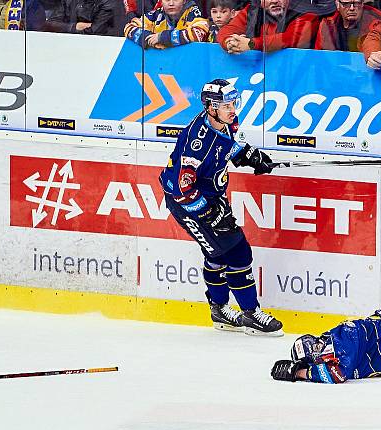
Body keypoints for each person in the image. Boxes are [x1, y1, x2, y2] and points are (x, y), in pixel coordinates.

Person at [160, 79, 283, 336]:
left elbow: (227, 146)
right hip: (189, 204)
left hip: (212, 197)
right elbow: (181, 188)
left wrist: (248, 155)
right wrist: (208, 213)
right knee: (237, 252)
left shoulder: (225, 122)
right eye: (226, 105)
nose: (232, 109)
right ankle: (250, 313)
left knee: (217, 255)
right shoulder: (196, 144)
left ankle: (219, 310)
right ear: (210, 107)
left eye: (233, 103)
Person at [217, 0, 321, 53]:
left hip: (298, 77)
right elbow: (228, 30)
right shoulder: (252, 11)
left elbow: (289, 39)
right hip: (258, 75)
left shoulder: (307, 13)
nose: (275, 1)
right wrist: (230, 43)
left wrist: (251, 44)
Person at [124, 0, 209, 48]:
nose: (171, 3)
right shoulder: (156, 14)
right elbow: (128, 28)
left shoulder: (193, 12)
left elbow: (198, 33)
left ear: (184, 1)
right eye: (167, 0)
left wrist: (163, 38)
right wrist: (149, 38)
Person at [314, 0, 381, 51]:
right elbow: (320, 58)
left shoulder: (379, 24)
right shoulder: (328, 26)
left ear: (362, 4)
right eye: (346, 4)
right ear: (337, 4)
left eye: (357, 3)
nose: (352, 8)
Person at [43, 0, 121, 35]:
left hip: (97, 47)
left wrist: (63, 27)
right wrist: (74, 27)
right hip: (67, 44)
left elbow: (96, 31)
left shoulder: (109, 2)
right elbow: (50, 24)